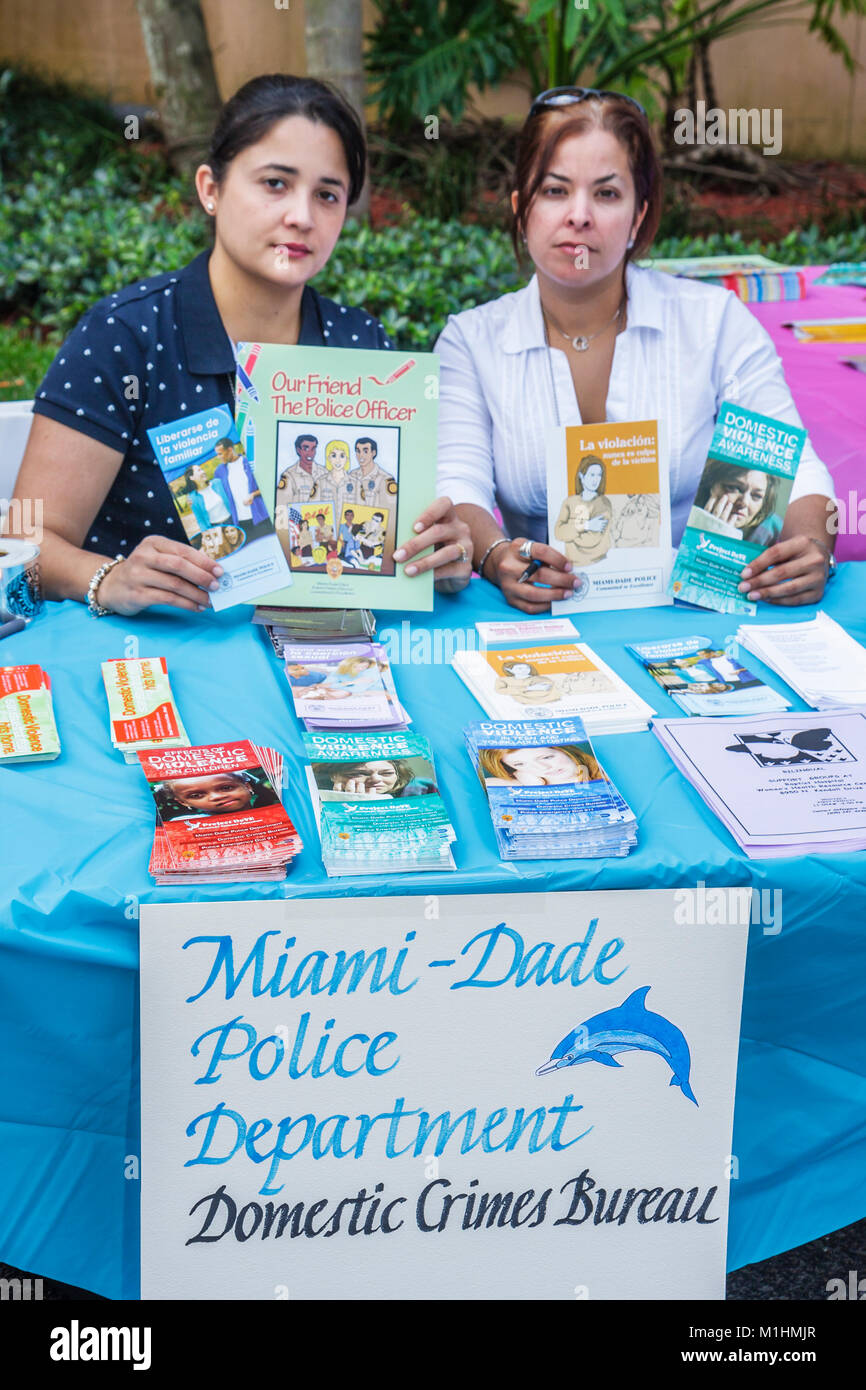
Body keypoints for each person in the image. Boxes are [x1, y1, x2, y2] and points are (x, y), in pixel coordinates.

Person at [10, 73, 470, 614]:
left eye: (327, 194)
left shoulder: (362, 348)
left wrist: (436, 555)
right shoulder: (126, 338)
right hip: (153, 659)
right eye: (275, 183)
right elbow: (25, 543)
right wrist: (109, 578)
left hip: (325, 654)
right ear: (211, 189)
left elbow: (393, 536)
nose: (301, 216)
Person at [435, 87, 837, 612]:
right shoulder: (470, 342)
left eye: (606, 194)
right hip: (537, 620)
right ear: (520, 210)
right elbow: (455, 483)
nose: (579, 216)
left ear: (639, 215)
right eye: (555, 191)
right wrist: (495, 556)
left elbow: (797, 469)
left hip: (698, 612)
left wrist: (811, 549)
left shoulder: (713, 323)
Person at [691, 461, 782, 546]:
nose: (744, 503)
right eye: (733, 488)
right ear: (710, 484)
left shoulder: (774, 532)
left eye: (757, 496)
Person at [553, 453, 614, 565]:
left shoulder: (604, 503)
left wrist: (570, 529)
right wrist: (587, 526)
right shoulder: (569, 501)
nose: (596, 479)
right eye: (592, 475)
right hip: (570, 566)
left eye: (599, 475)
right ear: (581, 476)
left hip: (598, 563)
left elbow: (590, 540)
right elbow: (558, 533)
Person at [156, 770, 279, 818]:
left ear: (247, 786)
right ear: (183, 802)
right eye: (196, 795)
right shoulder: (187, 822)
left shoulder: (277, 809)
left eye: (226, 787)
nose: (217, 797)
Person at [478, 744, 603, 785]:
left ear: (566, 751)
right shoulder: (522, 781)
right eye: (520, 764)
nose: (543, 767)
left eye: (547, 757)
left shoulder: (604, 772)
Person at [212, 437, 268, 528]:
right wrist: (192, 497)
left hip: (261, 516)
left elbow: (268, 486)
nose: (218, 457)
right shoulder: (219, 471)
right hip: (240, 522)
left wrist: (253, 494)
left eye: (220, 454)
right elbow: (213, 490)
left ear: (230, 450)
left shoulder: (250, 463)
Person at [320, 758, 436, 797]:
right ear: (334, 776)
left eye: (387, 773)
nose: (376, 779)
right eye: (360, 774)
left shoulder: (424, 790)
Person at [184, 463, 232, 533]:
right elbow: (200, 519)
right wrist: (205, 532)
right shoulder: (193, 498)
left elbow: (232, 499)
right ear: (192, 477)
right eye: (199, 470)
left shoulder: (218, 483)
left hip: (232, 521)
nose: (203, 471)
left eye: (202, 469)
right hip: (215, 529)